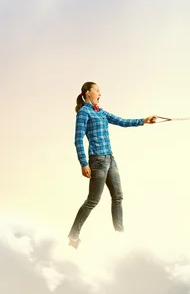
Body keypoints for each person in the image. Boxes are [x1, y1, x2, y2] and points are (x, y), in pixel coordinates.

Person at [68, 81, 165, 249]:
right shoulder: (84, 112)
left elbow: (122, 121)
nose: (100, 93)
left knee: (118, 196)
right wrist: (84, 164)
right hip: (97, 161)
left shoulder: (102, 113)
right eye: (97, 90)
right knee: (93, 200)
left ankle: (120, 235)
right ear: (88, 93)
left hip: (110, 159)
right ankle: (73, 235)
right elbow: (78, 140)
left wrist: (144, 120)